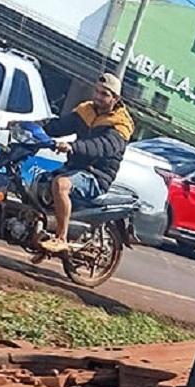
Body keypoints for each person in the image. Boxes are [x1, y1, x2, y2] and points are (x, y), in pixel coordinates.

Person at [37, 73, 133, 254]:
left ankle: (61, 238)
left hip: (96, 176)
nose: (98, 97)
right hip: (75, 169)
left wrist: (72, 147)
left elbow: (101, 147)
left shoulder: (121, 125)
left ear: (116, 99)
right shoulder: (86, 110)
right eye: (97, 92)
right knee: (39, 183)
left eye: (104, 94)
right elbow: (59, 126)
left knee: (61, 184)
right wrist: (33, 127)